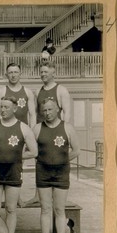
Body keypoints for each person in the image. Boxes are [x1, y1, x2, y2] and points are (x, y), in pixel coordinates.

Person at [0, 97, 38, 233]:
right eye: (1, 107)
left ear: (15, 109)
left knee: (11, 208)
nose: (3, 110)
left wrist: (18, 155)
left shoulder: (24, 128)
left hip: (13, 171)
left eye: (7, 107)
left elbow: (34, 152)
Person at [33, 98, 80, 233]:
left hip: (61, 173)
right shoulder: (37, 128)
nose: (47, 113)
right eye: (44, 110)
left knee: (59, 209)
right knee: (45, 209)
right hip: (43, 172)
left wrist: (61, 161)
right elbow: (31, 150)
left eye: (50, 110)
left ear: (57, 110)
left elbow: (76, 150)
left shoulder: (67, 128)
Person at [23, 59, 73, 206]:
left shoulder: (61, 90)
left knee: (58, 161)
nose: (43, 75)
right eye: (41, 72)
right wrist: (32, 134)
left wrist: (64, 133)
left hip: (57, 131)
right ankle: (37, 196)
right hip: (41, 131)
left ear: (53, 73)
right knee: (40, 161)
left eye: (46, 72)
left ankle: (60, 197)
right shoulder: (38, 91)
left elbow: (67, 114)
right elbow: (35, 114)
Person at [0, 63, 36, 127]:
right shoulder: (1, 92)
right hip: (6, 130)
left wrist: (32, 132)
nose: (13, 75)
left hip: (23, 130)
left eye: (16, 72)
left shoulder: (28, 92)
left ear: (20, 74)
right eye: (10, 72)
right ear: (6, 75)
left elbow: (32, 115)